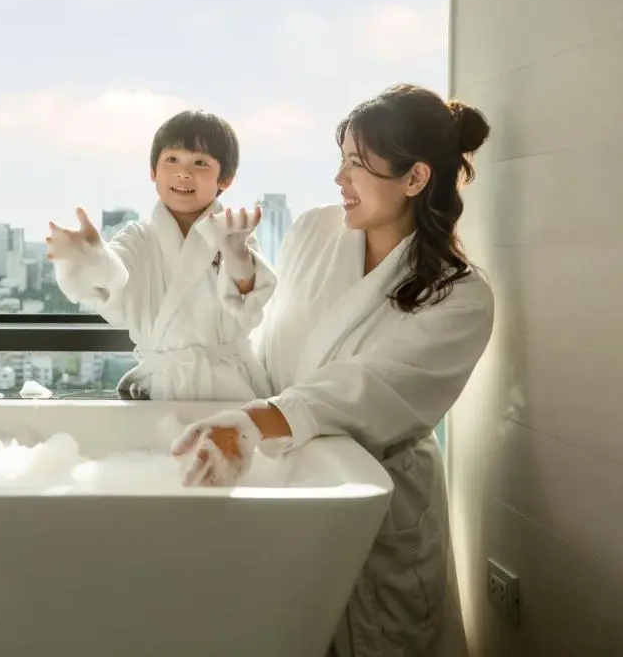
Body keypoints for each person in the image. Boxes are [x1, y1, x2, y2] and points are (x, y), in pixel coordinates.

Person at [170, 83, 494, 656]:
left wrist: (252, 423)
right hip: (288, 486)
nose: (338, 180)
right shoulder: (316, 232)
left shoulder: (458, 297)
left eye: (356, 165)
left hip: (378, 503)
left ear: (415, 179)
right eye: (340, 160)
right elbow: (267, 342)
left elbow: (362, 391)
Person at [46, 109, 275, 401]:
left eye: (200, 163)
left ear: (225, 179)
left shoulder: (234, 235)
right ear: (153, 172)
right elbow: (116, 274)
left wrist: (237, 253)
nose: (184, 172)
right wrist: (93, 258)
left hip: (229, 387)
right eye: (172, 159)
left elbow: (250, 303)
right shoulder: (138, 238)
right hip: (161, 389)